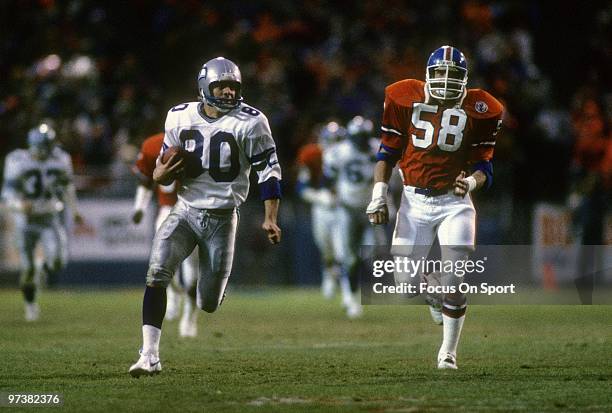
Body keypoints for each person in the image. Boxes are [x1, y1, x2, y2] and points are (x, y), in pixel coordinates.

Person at [129, 57, 282, 377]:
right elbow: (160, 172)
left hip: (223, 218)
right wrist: (160, 174)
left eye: (233, 86)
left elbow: (269, 172)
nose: (228, 92)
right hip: (184, 210)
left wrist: (270, 216)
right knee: (157, 272)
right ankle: (150, 355)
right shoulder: (179, 116)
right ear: (204, 87)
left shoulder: (251, 121)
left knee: (208, 303)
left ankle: (214, 286)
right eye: (221, 86)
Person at [366, 46, 503, 369]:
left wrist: (469, 183)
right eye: (439, 73)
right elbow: (387, 152)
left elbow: (485, 167)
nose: (444, 80)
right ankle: (430, 291)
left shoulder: (484, 107)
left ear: (464, 79)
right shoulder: (402, 96)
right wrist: (378, 194)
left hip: (454, 203)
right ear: (427, 75)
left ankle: (448, 353)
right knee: (404, 286)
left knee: (454, 281)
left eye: (452, 75)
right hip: (413, 203)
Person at [1, 123, 82, 321]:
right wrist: (21, 206)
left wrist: (75, 210)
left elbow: (67, 187)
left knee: (57, 262)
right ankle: (30, 305)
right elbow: (7, 195)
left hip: (49, 216)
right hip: (25, 220)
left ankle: (40, 266)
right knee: (27, 269)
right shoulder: (17, 160)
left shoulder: (61, 159)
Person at [131, 132, 199, 337]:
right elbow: (145, 179)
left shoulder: (205, 141)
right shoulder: (153, 145)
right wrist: (139, 207)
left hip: (195, 210)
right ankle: (173, 290)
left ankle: (189, 314)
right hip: (167, 210)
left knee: (193, 270)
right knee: (161, 261)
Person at [323, 116, 386, 318]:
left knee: (372, 252)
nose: (361, 141)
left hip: (371, 208)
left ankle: (358, 291)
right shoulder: (339, 152)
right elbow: (329, 179)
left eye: (364, 137)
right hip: (347, 208)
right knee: (349, 258)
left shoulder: (376, 148)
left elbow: (390, 175)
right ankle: (351, 297)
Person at [295, 122, 346, 300]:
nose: (333, 144)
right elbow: (301, 188)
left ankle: (346, 288)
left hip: (343, 206)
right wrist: (320, 198)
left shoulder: (348, 155)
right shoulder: (312, 154)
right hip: (322, 207)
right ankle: (329, 273)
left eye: (337, 140)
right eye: (331, 140)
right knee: (325, 246)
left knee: (342, 249)